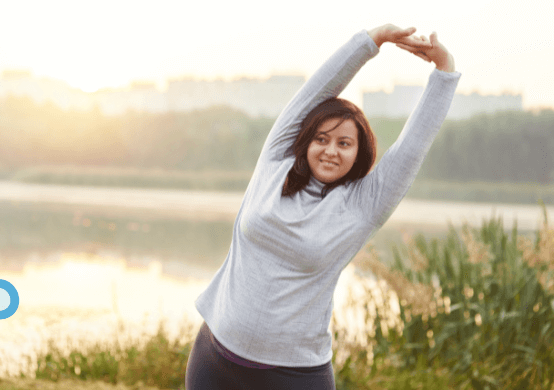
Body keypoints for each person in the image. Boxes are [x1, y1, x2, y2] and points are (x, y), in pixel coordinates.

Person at [185, 24, 460, 389]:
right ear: (306, 140)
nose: (331, 150)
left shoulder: (362, 206)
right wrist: (371, 41)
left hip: (292, 376)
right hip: (214, 358)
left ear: (359, 153)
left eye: (344, 143)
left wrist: (444, 72)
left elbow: (412, 147)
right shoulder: (275, 162)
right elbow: (315, 91)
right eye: (322, 138)